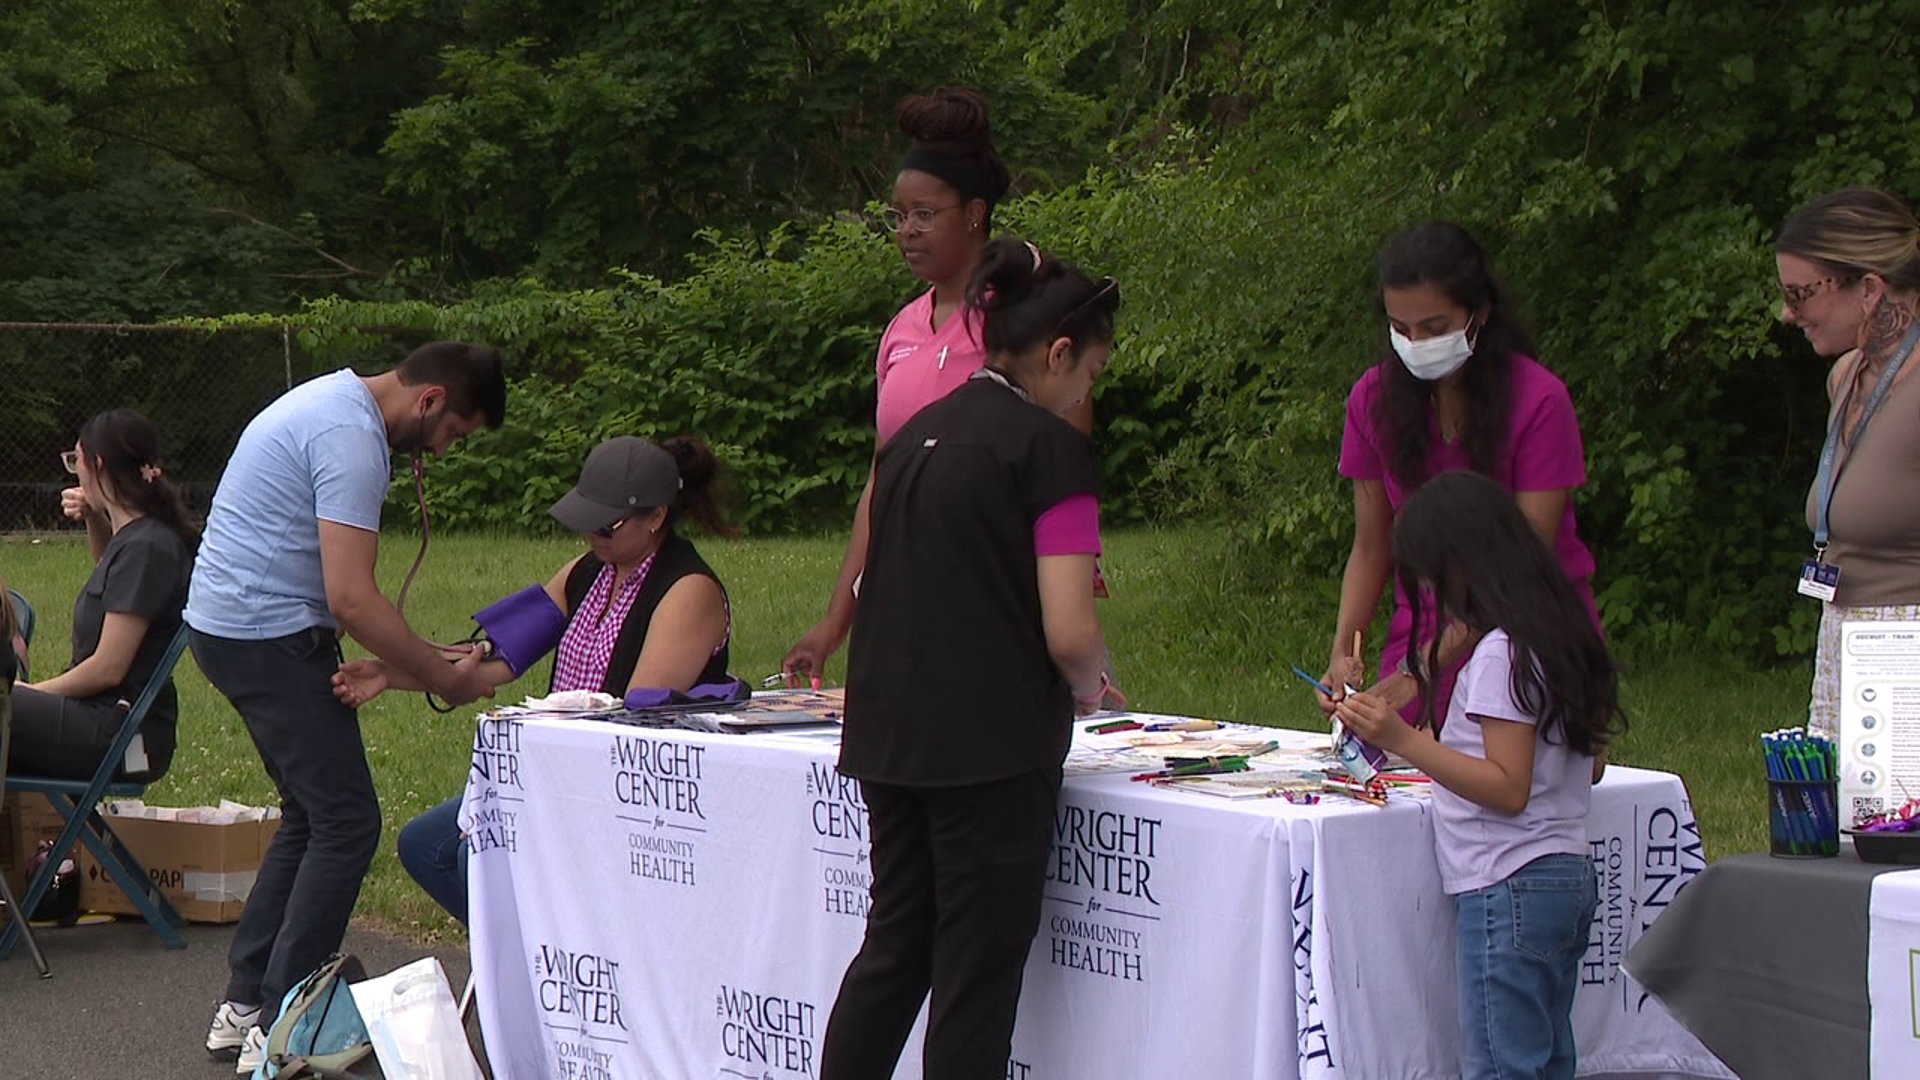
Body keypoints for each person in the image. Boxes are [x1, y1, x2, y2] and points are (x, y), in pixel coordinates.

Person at [818, 237, 1124, 1080]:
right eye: (1091, 373)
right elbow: (1068, 628)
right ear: (1059, 354)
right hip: (990, 751)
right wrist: (1093, 681)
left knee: (893, 950)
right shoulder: (1051, 451)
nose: (1086, 393)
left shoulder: (916, 436)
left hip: (891, 733)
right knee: (974, 978)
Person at [190, 342, 506, 1072]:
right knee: (347, 820)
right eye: (455, 434)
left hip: (230, 627)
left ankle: (246, 1006)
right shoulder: (352, 437)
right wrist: (442, 678)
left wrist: (416, 657)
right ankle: (283, 1025)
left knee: (312, 811)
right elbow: (352, 597)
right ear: (429, 401)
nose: (448, 451)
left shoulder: (326, 401)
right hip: (265, 635)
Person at [331, 435, 737, 925]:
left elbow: (634, 720)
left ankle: (545, 962)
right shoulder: (589, 572)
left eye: (605, 525)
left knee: (474, 855)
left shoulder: (689, 589)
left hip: (628, 792)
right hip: (560, 772)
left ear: (656, 517)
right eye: (584, 520)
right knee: (425, 845)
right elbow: (500, 657)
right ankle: (534, 960)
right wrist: (390, 673)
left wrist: (533, 800)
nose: (592, 536)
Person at [782, 86, 1096, 686]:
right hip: (905, 609)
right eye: (899, 217)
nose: (907, 232)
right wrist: (834, 623)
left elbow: (1065, 465)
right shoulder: (901, 329)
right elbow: (882, 482)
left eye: (926, 215)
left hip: (999, 605)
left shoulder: (1020, 321)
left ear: (975, 212)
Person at [1334, 469, 1621, 1080]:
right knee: (1546, 1061)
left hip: (1507, 884)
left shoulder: (1500, 655)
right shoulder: (1558, 637)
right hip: (1562, 876)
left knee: (1500, 1066)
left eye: (1436, 578)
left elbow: (1508, 787)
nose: (1436, 593)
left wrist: (1404, 739)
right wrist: (1416, 739)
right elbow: (1586, 762)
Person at [1322, 220, 1599, 730]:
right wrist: (1343, 653)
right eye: (1400, 329)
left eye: (1434, 328)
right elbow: (1371, 546)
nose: (1416, 343)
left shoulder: (1538, 401)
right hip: (1424, 634)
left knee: (1508, 788)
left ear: (1480, 314)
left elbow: (1523, 569)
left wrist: (1420, 669)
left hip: (1528, 639)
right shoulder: (1372, 399)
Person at [1775, 187, 1920, 737]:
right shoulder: (1847, 378)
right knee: (1842, 824)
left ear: (1869, 289)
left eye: (1801, 294)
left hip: (1907, 655)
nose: (1788, 314)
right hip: (1845, 647)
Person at [8, 410, 196, 782]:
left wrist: (27, 694)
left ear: (96, 464)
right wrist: (95, 517)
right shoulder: (138, 540)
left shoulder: (149, 548)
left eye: (74, 460)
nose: (73, 471)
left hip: (124, 735)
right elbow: (111, 574)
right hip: (106, 721)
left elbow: (109, 668)